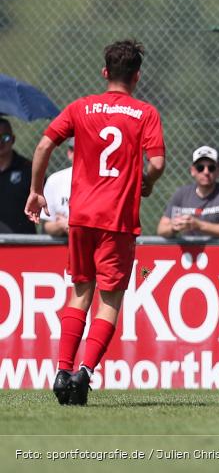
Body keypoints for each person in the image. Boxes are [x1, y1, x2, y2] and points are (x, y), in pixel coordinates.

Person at [24, 39, 166, 406]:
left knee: (80, 292)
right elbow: (158, 163)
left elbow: (42, 146)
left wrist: (37, 192)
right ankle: (84, 373)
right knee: (110, 298)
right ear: (136, 76)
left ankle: (62, 368)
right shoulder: (144, 113)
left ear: (105, 73)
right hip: (117, 219)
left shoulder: (80, 107)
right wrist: (146, 183)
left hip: (81, 217)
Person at [157, 146, 219, 238]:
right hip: (188, 250)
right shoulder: (182, 194)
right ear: (192, 171)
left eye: (211, 168)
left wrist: (198, 225)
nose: (206, 172)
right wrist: (174, 227)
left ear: (218, 171)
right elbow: (161, 229)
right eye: (200, 168)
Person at [0, 117, 36, 234]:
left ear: (13, 139)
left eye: (5, 137)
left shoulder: (28, 170)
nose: (0, 142)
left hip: (22, 240)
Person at [40, 138, 75, 237]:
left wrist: (71, 225)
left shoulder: (102, 180)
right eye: (76, 150)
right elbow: (47, 225)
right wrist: (61, 225)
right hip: (61, 247)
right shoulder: (55, 180)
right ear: (69, 153)